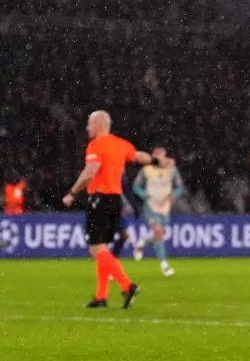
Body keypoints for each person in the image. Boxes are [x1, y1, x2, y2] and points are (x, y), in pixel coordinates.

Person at [62, 110, 172, 308]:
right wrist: (157, 162)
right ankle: (101, 296)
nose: (87, 128)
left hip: (100, 199)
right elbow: (139, 157)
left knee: (97, 248)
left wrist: (72, 192)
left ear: (99, 125)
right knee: (102, 247)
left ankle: (127, 286)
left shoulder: (96, 145)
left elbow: (90, 171)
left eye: (89, 124)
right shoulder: (120, 144)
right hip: (115, 200)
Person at [132, 145, 184, 276]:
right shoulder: (146, 170)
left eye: (162, 156)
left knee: (158, 234)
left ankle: (142, 243)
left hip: (165, 206)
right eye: (157, 156)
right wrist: (145, 195)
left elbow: (180, 187)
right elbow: (136, 186)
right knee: (158, 231)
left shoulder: (172, 170)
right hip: (151, 206)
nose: (160, 159)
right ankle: (164, 265)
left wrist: (174, 194)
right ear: (153, 156)